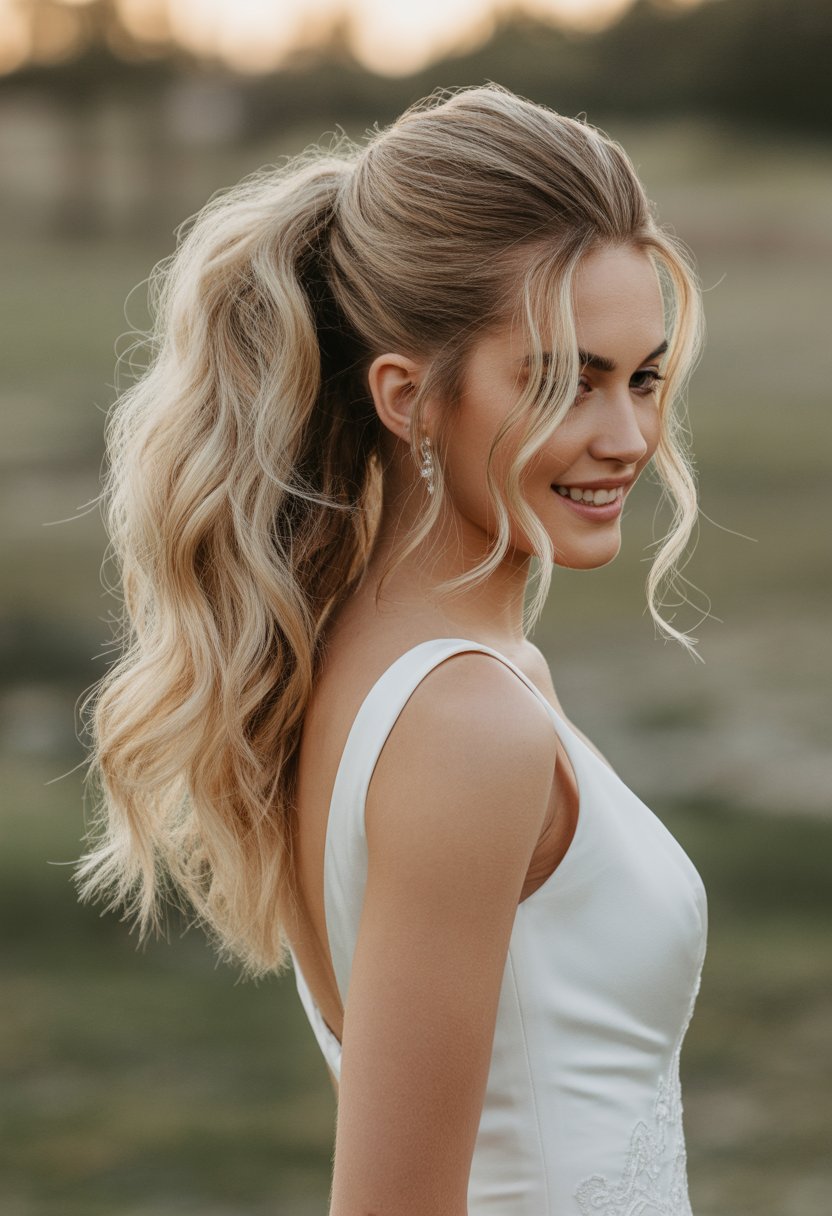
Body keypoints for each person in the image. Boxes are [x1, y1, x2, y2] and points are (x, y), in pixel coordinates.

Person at [76, 83, 708, 1214]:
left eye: (643, 376)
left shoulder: (407, 660)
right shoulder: (461, 723)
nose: (628, 439)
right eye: (565, 380)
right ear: (410, 398)